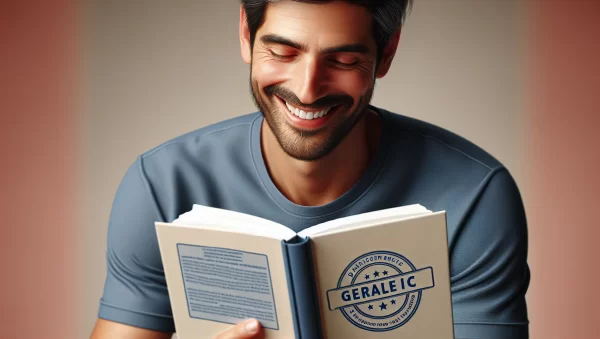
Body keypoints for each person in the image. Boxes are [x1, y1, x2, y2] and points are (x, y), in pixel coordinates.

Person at [90, 1, 530, 338]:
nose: (307, 90)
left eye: (342, 61)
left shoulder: (475, 194)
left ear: (387, 51)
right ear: (247, 33)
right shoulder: (162, 185)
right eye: (282, 51)